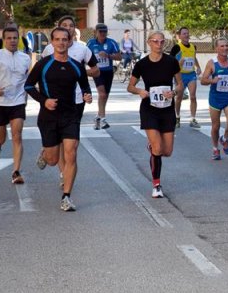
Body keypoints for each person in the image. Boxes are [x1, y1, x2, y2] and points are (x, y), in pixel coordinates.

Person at [25, 27, 93, 211]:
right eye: (58, 39)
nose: (61, 42)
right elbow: (29, 86)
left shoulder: (76, 66)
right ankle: (45, 153)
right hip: (48, 117)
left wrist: (87, 96)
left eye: (65, 39)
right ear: (52, 42)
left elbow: (86, 87)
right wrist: (44, 101)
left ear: (69, 41)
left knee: (71, 153)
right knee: (53, 160)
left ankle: (66, 197)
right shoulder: (43, 64)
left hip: (70, 115)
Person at [41, 15, 100, 188]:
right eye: (64, 25)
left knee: (71, 141)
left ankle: (65, 171)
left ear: (75, 30)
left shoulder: (83, 49)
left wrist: (78, 72)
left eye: (71, 25)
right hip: (55, 100)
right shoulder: (50, 50)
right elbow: (40, 75)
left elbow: (96, 71)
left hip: (76, 99)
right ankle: (61, 171)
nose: (68, 28)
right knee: (59, 140)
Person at [127, 32, 182, 198]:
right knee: (158, 148)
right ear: (149, 43)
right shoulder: (142, 64)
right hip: (149, 109)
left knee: (167, 151)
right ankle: (156, 185)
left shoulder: (171, 62)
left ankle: (153, 147)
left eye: (161, 41)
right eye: (155, 41)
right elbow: (130, 86)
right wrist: (139, 91)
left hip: (166, 109)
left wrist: (173, 92)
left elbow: (180, 84)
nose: (159, 44)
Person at [0, 26, 31, 184]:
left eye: (15, 38)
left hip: (17, 102)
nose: (12, 40)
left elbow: (29, 80)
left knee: (17, 136)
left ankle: (16, 172)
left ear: (18, 40)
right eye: (9, 38)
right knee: (1, 138)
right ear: (4, 40)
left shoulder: (25, 58)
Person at [201, 38, 228, 160]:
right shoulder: (211, 63)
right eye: (222, 46)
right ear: (217, 49)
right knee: (215, 126)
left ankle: (224, 138)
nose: (225, 48)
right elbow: (203, 80)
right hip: (215, 98)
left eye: (226, 46)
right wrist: (211, 80)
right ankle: (215, 149)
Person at [86, 23, 121, 130]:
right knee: (102, 93)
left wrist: (108, 55)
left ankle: (98, 116)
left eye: (104, 32)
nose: (102, 34)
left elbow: (119, 57)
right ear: (95, 32)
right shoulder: (91, 43)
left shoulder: (111, 42)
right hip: (97, 72)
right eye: (100, 31)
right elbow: (84, 56)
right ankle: (103, 119)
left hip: (108, 72)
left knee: (104, 95)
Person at [169, 27, 201, 128]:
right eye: (184, 34)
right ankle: (177, 117)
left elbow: (194, 57)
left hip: (191, 74)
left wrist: (198, 67)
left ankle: (193, 119)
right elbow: (170, 62)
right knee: (179, 97)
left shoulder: (193, 47)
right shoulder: (176, 48)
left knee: (193, 96)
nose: (186, 35)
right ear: (180, 36)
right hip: (180, 75)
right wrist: (179, 63)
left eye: (187, 33)